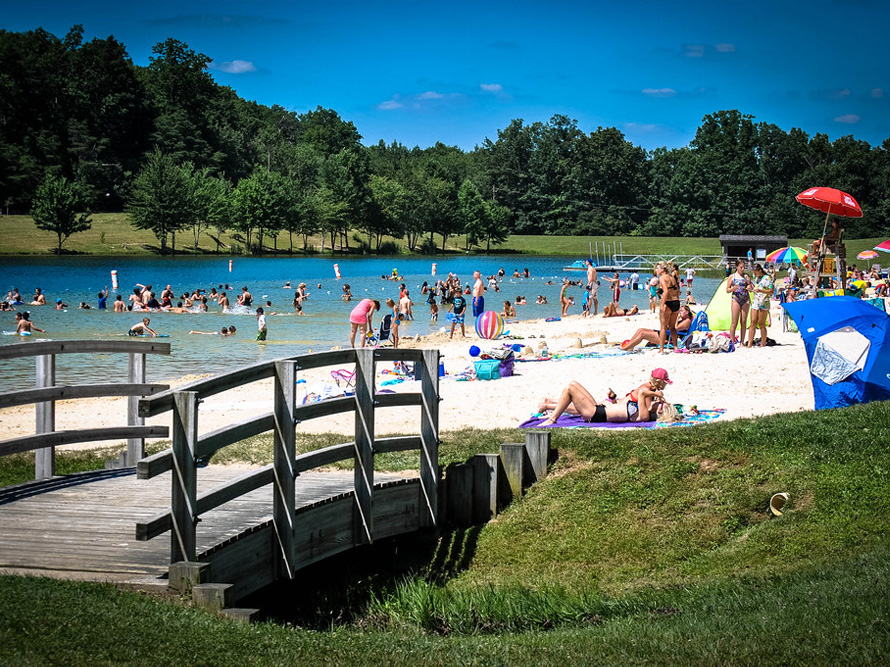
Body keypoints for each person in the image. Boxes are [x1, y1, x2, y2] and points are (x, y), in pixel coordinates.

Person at [538, 369, 670, 425]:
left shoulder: (643, 416)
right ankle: (551, 411)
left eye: (661, 407)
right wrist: (659, 398)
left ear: (659, 412)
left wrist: (657, 395)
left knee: (570, 389)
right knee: (573, 383)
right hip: (600, 409)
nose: (659, 405)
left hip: (596, 414)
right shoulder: (643, 408)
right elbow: (643, 394)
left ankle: (552, 418)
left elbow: (642, 394)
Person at [621, 305, 694, 351]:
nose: (679, 313)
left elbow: (675, 328)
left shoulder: (687, 321)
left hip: (667, 338)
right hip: (665, 334)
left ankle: (625, 348)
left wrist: (676, 319)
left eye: (681, 311)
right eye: (679, 311)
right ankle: (629, 346)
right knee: (640, 330)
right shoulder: (683, 320)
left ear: (687, 312)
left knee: (642, 334)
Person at [747, 263, 773, 348]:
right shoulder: (756, 278)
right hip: (756, 301)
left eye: (755, 272)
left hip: (764, 302)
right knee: (753, 322)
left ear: (760, 270)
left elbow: (771, 291)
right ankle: (749, 343)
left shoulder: (767, 278)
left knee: (761, 324)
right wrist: (751, 289)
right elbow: (756, 289)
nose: (754, 274)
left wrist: (761, 291)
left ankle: (763, 343)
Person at [656, 262, 681, 353]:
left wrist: (662, 304)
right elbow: (678, 291)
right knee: (672, 327)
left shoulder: (662, 278)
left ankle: (661, 349)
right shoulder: (672, 278)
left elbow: (666, 291)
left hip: (668, 303)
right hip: (676, 303)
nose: (656, 270)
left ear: (663, 269)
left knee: (663, 327)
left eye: (658, 268)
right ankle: (675, 347)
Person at [727, 259, 751, 346]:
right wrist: (733, 288)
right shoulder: (732, 277)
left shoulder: (746, 276)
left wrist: (749, 287)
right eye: (741, 267)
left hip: (745, 299)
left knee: (743, 322)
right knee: (734, 322)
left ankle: (742, 341)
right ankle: (732, 340)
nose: (743, 269)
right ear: (736, 267)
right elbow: (727, 289)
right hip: (736, 298)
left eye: (744, 267)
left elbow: (751, 287)